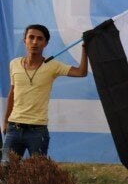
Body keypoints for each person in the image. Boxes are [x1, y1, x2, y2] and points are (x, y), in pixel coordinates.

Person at [1, 24, 88, 164]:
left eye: (40, 39)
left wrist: (85, 49)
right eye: (31, 37)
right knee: (6, 173)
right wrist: (5, 121)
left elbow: (81, 72)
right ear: (24, 40)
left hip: (37, 131)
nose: (35, 42)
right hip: (14, 128)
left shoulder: (53, 66)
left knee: (38, 175)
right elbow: (12, 92)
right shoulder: (14, 64)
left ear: (45, 43)